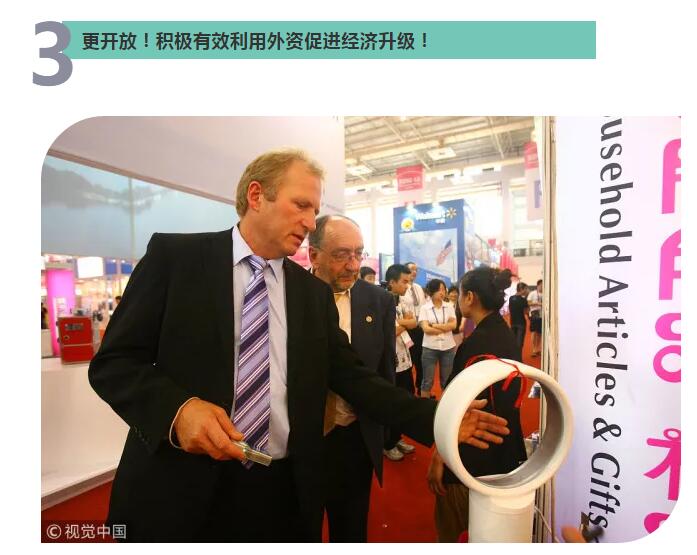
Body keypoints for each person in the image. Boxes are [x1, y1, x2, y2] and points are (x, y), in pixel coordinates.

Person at [88, 148, 510, 542]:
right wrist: (178, 411)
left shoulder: (310, 294)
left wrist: (437, 418)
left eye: (315, 211)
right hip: (181, 485)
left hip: (281, 492)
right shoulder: (176, 259)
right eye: (301, 205)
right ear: (257, 196)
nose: (310, 223)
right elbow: (115, 363)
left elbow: (354, 378)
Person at [308, 214, 396, 542]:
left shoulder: (379, 301)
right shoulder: (289, 293)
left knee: (351, 528)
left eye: (359, 253)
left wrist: (386, 427)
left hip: (356, 436)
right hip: (302, 439)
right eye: (342, 255)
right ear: (313, 255)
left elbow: (383, 370)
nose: (353, 265)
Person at [427, 266, 527, 542]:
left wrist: (439, 455)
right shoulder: (503, 334)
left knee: (458, 532)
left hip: (471, 458)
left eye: (459, 294)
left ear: (469, 297)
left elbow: (458, 408)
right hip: (504, 454)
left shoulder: (476, 346)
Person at [383, 263, 418, 462]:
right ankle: (387, 443)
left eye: (408, 281)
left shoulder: (403, 301)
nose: (407, 285)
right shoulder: (381, 301)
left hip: (405, 359)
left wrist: (400, 324)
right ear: (392, 282)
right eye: (404, 281)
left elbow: (413, 323)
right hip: (390, 361)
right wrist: (403, 324)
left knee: (405, 399)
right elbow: (388, 332)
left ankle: (397, 438)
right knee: (391, 402)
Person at [419, 279, 458, 399]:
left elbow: (453, 325)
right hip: (430, 348)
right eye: (439, 289)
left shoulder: (449, 306)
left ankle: (445, 406)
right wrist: (445, 327)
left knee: (446, 381)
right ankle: (424, 406)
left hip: (448, 348)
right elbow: (426, 329)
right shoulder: (425, 308)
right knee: (427, 381)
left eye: (444, 289)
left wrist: (434, 325)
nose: (442, 292)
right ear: (432, 291)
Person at [402, 262, 427, 395]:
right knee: (409, 359)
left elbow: (423, 307)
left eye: (416, 269)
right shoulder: (402, 288)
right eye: (412, 269)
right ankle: (409, 390)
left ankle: (420, 388)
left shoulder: (418, 288)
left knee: (421, 360)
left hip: (420, 329)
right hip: (407, 330)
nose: (415, 272)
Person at [508, 282, 530, 358]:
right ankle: (518, 359)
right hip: (521, 323)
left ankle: (513, 358)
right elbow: (526, 311)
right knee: (519, 343)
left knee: (513, 342)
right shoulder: (523, 300)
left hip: (513, 322)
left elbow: (510, 309)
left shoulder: (511, 298)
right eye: (526, 289)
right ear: (521, 289)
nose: (527, 290)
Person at [527, 279, 543, 357]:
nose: (542, 286)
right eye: (541, 285)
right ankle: (533, 349)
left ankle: (538, 349)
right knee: (534, 332)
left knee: (540, 333)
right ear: (538, 285)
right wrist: (538, 303)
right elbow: (528, 303)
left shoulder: (546, 294)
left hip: (542, 315)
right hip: (534, 314)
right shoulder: (532, 293)